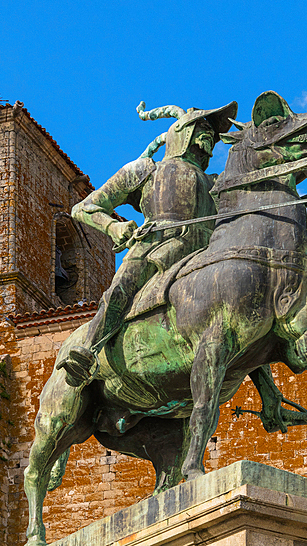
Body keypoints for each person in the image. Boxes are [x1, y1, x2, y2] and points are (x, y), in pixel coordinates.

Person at [58, 100, 237, 387]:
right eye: (203, 127)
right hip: (157, 247)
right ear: (182, 133)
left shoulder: (214, 182)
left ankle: (269, 396)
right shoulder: (145, 170)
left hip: (207, 252)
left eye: (212, 133)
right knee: (122, 287)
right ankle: (87, 351)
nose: (210, 137)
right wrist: (113, 226)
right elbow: (84, 208)